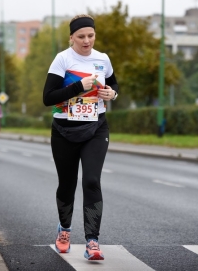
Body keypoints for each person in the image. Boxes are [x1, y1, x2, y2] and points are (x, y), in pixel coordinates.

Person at [43, 14, 119, 260]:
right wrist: (78, 86)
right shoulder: (62, 59)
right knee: (67, 184)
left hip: (96, 129)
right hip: (64, 131)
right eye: (81, 37)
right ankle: (64, 230)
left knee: (91, 181)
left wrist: (111, 94)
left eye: (91, 35)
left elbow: (114, 86)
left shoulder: (103, 59)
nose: (87, 41)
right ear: (71, 38)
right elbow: (48, 97)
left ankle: (92, 242)